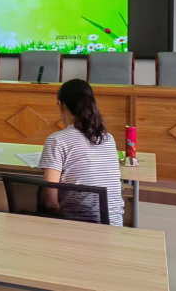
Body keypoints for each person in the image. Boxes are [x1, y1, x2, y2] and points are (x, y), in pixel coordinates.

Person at [38, 79, 124, 226]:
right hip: (114, 226)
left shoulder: (57, 140)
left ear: (61, 106)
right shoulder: (108, 138)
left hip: (77, 228)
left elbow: (50, 201)